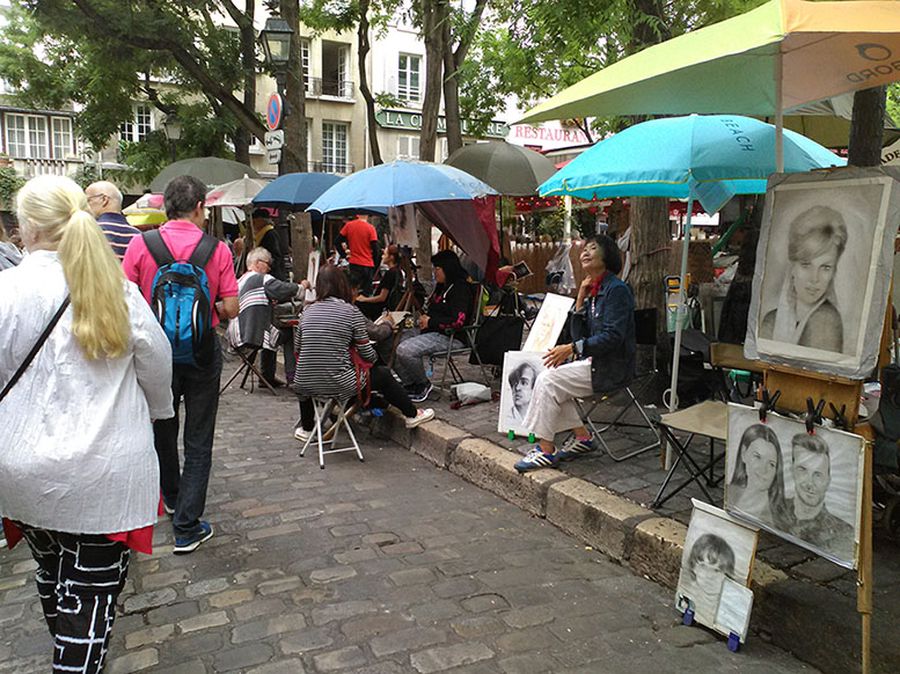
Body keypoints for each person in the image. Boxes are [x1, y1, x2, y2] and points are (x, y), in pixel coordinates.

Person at [0, 175, 173, 673]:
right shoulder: (114, 291)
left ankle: (69, 645)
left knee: (54, 574)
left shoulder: (8, 291)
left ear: (27, 227)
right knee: (87, 604)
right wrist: (158, 413)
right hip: (102, 475)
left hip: (23, 473)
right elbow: (158, 367)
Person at [122, 175, 238, 554]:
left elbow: (128, 302)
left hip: (156, 354)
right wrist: (206, 310)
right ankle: (187, 526)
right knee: (199, 439)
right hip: (203, 352)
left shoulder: (142, 244)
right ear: (201, 207)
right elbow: (232, 307)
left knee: (162, 429)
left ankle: (172, 498)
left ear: (164, 207)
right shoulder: (216, 249)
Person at [515, 234, 635, 472]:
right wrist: (580, 299)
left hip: (611, 367)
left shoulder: (617, 290)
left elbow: (613, 337)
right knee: (552, 377)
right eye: (584, 249)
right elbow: (578, 335)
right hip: (593, 362)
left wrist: (572, 349)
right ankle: (582, 438)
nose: (585, 253)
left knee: (548, 381)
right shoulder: (594, 290)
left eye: (593, 248)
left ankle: (545, 450)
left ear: (607, 256)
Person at [292, 266, 434, 441]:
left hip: (304, 384)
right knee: (382, 375)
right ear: (342, 286)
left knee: (307, 376)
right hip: (339, 384)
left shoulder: (306, 312)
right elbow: (367, 352)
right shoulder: (350, 311)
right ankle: (412, 414)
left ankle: (307, 429)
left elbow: (298, 349)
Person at [760, 206, 847, 352]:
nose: (814, 279)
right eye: (806, 265)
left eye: (825, 267)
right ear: (792, 266)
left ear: (834, 270)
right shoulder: (771, 320)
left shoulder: (826, 321)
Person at [393, 250, 473, 403]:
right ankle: (410, 383)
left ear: (447, 268)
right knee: (392, 341)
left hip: (450, 336)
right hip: (432, 331)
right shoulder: (441, 287)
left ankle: (422, 384)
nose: (435, 272)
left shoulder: (460, 289)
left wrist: (431, 322)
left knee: (405, 350)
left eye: (437, 269)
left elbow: (458, 321)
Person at [228, 247, 308, 387]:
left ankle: (267, 375)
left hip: (235, 334)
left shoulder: (240, 280)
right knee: (288, 334)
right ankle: (292, 376)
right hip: (249, 335)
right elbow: (282, 288)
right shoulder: (261, 279)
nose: (269, 268)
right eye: (267, 264)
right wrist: (301, 287)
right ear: (258, 263)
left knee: (269, 332)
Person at [786, 433, 854, 560]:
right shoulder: (772, 511)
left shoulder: (843, 532)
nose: (809, 483)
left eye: (818, 474)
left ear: (828, 481)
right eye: (803, 470)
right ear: (792, 471)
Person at [728, 424, 788, 527]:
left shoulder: (776, 520)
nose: (763, 469)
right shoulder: (728, 495)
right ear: (744, 453)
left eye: (771, 464)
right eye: (757, 457)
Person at [678, 533, 736, 623]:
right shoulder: (687, 596)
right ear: (694, 567)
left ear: (727, 576)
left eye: (716, 570)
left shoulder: (728, 609)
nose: (709, 576)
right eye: (703, 567)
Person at [85, 180, 141, 261]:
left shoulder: (90, 231)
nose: (86, 206)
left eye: (88, 200)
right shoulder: (138, 236)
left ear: (104, 199)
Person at [356, 243, 405, 318]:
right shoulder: (397, 271)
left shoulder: (390, 273)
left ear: (391, 257)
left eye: (385, 254)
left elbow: (382, 297)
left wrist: (364, 299)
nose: (382, 257)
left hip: (378, 308)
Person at [338, 213, 379, 294]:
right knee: (367, 292)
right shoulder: (371, 228)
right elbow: (375, 249)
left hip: (354, 263)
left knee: (353, 290)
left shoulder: (349, 226)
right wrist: (374, 263)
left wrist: (344, 255)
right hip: (368, 264)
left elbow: (337, 241)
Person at [248, 208, 287, 281]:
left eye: (255, 220)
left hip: (273, 275)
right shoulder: (260, 234)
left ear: (262, 220)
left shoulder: (270, 234)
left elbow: (275, 256)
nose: (253, 223)